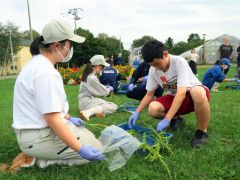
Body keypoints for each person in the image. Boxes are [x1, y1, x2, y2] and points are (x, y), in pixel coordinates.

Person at [11, 20, 104, 171]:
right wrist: (80, 149)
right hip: (38, 136)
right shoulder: (45, 72)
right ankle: (38, 160)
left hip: (35, 133)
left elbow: (45, 106)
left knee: (87, 137)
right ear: (57, 45)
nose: (70, 49)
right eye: (70, 45)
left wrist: (68, 117)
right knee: (95, 149)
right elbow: (53, 119)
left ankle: (38, 152)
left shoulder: (37, 65)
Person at [128, 40, 210, 148]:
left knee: (197, 92)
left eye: (157, 63)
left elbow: (181, 93)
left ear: (165, 54)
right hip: (174, 97)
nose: (156, 67)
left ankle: (202, 131)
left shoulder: (179, 62)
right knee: (153, 108)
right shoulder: (153, 70)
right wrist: (137, 112)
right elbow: (149, 95)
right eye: (152, 65)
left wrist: (166, 119)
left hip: (191, 96)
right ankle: (176, 119)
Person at [78, 55, 118, 122]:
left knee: (105, 103)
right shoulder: (92, 78)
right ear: (98, 66)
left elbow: (98, 87)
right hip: (86, 103)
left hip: (85, 101)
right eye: (103, 67)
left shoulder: (89, 75)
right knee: (113, 106)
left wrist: (105, 88)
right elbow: (104, 92)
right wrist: (109, 89)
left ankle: (95, 112)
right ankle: (88, 112)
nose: (103, 69)